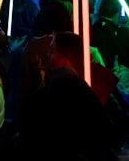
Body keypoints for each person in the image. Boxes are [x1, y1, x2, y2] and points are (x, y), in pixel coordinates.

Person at [16, 31, 118, 160]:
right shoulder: (92, 90)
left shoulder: (52, 93)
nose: (48, 55)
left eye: (52, 51)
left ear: (65, 59)